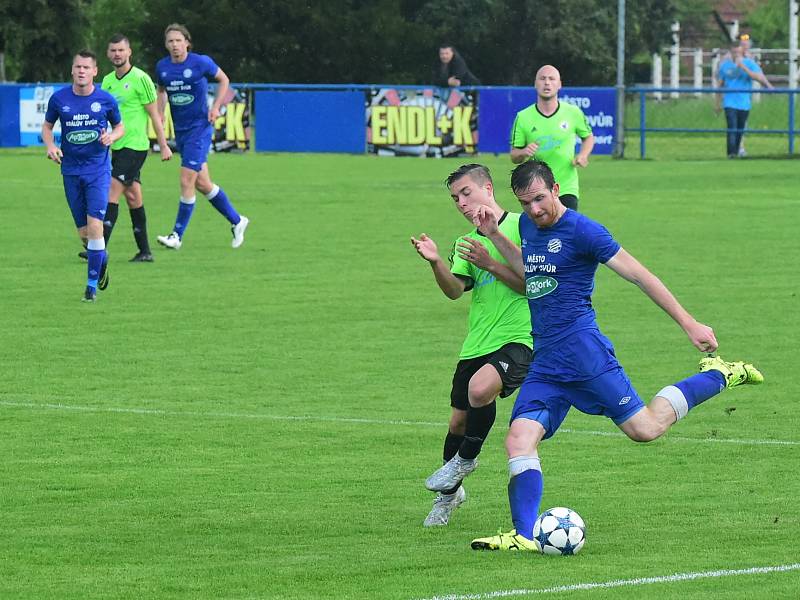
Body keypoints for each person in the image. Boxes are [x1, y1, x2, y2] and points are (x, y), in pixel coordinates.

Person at [455, 160, 763, 551]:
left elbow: (640, 275)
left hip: (585, 355)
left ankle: (719, 374)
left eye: (538, 199)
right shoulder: (531, 227)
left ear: (554, 189)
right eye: (524, 203)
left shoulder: (585, 231)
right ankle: (524, 533)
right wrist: (496, 236)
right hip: (547, 360)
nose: (533, 210)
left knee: (645, 430)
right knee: (518, 439)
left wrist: (689, 323)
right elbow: (530, 270)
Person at [411, 164, 533, 527]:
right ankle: (450, 497)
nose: (461, 203)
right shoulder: (466, 243)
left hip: (519, 337)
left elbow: (530, 284)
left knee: (481, 389)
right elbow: (454, 291)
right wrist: (435, 263)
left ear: (488, 188)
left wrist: (490, 263)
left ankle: (465, 460)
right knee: (458, 421)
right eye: (455, 198)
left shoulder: (522, 228)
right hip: (477, 342)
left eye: (466, 193)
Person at [154, 23, 249, 250]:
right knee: (203, 184)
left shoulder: (200, 62)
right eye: (170, 41)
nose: (175, 45)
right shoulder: (163, 67)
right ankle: (237, 221)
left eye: (178, 40)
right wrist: (159, 116)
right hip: (182, 131)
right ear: (166, 45)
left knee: (186, 179)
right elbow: (161, 91)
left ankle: (176, 236)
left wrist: (216, 107)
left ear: (187, 42)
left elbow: (224, 80)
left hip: (200, 128)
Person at [42, 50, 125, 302]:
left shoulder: (106, 100)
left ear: (95, 71)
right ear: (72, 70)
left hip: (98, 170)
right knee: (85, 235)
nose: (81, 71)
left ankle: (90, 289)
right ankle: (102, 258)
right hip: (70, 170)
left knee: (96, 226)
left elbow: (120, 126)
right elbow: (47, 127)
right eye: (77, 67)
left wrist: (112, 136)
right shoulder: (59, 99)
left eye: (86, 68)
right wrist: (50, 146)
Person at [98, 33, 172, 262]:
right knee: (133, 197)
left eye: (121, 50)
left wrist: (163, 145)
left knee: (112, 190)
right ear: (108, 54)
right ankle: (145, 252)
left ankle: (98, 248)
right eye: (113, 50)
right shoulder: (108, 81)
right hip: (117, 146)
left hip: (136, 146)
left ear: (129, 52)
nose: (117, 54)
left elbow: (155, 116)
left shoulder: (141, 79)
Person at [509, 65, 594, 211]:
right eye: (542, 79)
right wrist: (523, 152)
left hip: (567, 187)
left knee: (566, 231)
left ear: (559, 84)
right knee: (543, 232)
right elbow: (514, 156)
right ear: (535, 84)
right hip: (536, 189)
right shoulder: (523, 117)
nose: (547, 83)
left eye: (551, 79)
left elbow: (588, 137)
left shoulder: (573, 113)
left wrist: (583, 155)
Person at [716, 43, 772, 159]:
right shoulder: (725, 66)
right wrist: (717, 103)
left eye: (738, 52)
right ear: (731, 52)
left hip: (744, 103)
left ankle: (736, 152)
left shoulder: (749, 63)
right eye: (734, 52)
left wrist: (744, 68)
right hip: (729, 102)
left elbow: (758, 77)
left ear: (742, 52)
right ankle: (731, 154)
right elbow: (720, 85)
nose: (736, 55)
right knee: (732, 127)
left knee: (740, 129)